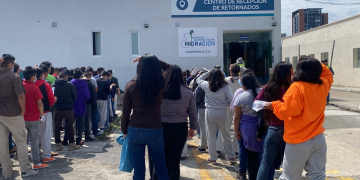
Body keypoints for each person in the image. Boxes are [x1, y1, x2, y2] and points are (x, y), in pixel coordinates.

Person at [265, 56, 333, 180]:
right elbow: (328, 73)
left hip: (298, 139)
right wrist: (315, 64)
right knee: (317, 175)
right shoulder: (323, 85)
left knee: (289, 176)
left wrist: (273, 105)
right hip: (318, 138)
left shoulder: (296, 87)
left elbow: (287, 110)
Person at [122, 54, 171, 180]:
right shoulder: (160, 82)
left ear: (140, 67)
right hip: (154, 128)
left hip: (134, 129)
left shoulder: (130, 85)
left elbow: (125, 112)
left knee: (138, 169)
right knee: (160, 167)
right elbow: (168, 67)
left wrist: (124, 131)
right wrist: (153, 60)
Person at [149, 64, 197, 180]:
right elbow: (192, 113)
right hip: (180, 129)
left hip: (161, 127)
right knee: (174, 161)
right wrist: (192, 128)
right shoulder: (188, 92)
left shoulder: (159, 91)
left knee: (159, 161)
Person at [0, 54, 38, 178]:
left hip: (1, 114)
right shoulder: (14, 77)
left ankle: (6, 172)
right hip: (14, 114)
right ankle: (26, 169)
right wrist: (23, 110)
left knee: (2, 144)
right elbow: (21, 96)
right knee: (21, 142)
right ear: (11, 65)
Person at [255, 62, 293, 180]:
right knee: (290, 163)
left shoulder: (268, 88)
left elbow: (256, 103)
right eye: (291, 72)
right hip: (290, 129)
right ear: (286, 74)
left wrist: (269, 105)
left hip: (273, 129)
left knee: (266, 162)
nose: (293, 74)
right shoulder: (293, 88)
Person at [196, 69, 236, 164]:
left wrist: (208, 72)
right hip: (223, 112)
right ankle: (231, 157)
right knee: (226, 135)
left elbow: (198, 79)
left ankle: (213, 158)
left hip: (210, 111)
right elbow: (231, 100)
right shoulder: (226, 87)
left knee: (211, 135)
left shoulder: (206, 85)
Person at [233, 73, 262, 180]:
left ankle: (250, 175)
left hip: (247, 128)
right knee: (263, 155)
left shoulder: (241, 96)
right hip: (264, 126)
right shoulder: (264, 92)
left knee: (250, 155)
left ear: (243, 84)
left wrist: (236, 130)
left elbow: (237, 117)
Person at [22, 66, 49, 169]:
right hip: (33, 117)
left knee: (23, 141)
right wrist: (42, 115)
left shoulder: (20, 86)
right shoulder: (34, 88)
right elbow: (40, 103)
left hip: (21, 118)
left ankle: (24, 163)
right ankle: (36, 162)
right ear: (33, 76)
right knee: (34, 141)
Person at [52, 71, 81, 151]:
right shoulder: (70, 85)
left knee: (57, 127)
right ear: (66, 77)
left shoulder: (54, 85)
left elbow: (52, 97)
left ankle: (58, 144)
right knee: (70, 127)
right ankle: (71, 144)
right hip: (68, 109)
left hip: (57, 109)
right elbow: (74, 97)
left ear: (58, 77)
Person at [34, 67, 58, 162]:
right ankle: (47, 155)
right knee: (46, 134)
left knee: (34, 136)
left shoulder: (30, 85)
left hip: (33, 113)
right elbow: (51, 99)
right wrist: (50, 105)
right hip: (45, 112)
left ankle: (35, 154)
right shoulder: (46, 85)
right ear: (42, 74)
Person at [223, 64, 241, 157]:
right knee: (236, 129)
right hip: (239, 107)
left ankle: (219, 149)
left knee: (225, 129)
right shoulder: (241, 81)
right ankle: (235, 150)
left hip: (227, 106)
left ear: (230, 71)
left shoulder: (226, 80)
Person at [71, 69, 91, 145]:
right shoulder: (84, 84)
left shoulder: (70, 83)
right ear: (81, 76)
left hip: (72, 106)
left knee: (70, 124)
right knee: (80, 124)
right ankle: (78, 139)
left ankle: (70, 139)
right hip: (81, 105)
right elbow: (87, 96)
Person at [82, 72, 97, 141]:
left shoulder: (75, 83)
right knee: (87, 120)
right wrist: (92, 104)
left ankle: (78, 135)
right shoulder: (90, 84)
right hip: (87, 104)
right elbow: (93, 96)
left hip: (78, 103)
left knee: (78, 119)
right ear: (89, 77)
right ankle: (87, 135)